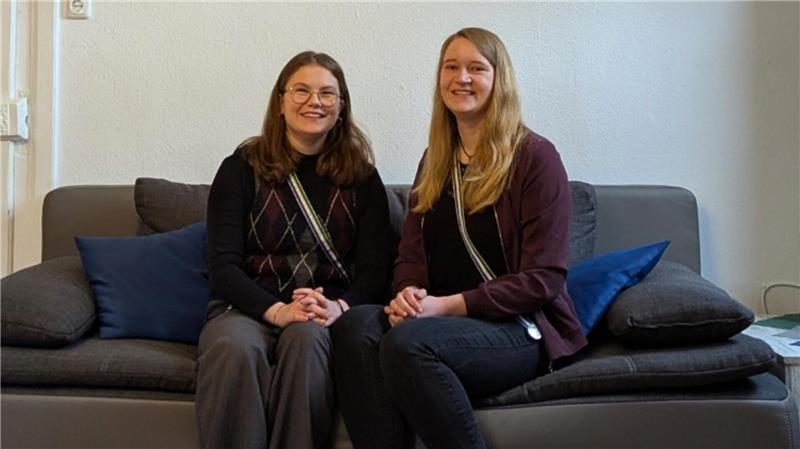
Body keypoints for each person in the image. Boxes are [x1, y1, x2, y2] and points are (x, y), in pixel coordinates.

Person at [331, 27, 588, 449]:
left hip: (517, 329)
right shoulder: (436, 161)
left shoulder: (535, 157)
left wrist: (446, 306)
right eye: (451, 67)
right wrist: (408, 296)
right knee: (356, 325)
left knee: (407, 345)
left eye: (476, 68)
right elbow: (411, 254)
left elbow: (544, 278)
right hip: (440, 319)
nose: (461, 78)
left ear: (498, 79)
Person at [196, 51, 395, 449]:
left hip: (321, 314)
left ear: (341, 107)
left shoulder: (362, 177)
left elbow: (376, 270)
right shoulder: (240, 167)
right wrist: (277, 310)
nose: (314, 102)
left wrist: (338, 307)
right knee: (233, 348)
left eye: (327, 93)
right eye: (301, 90)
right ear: (281, 101)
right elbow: (223, 267)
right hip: (246, 308)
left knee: (306, 344)